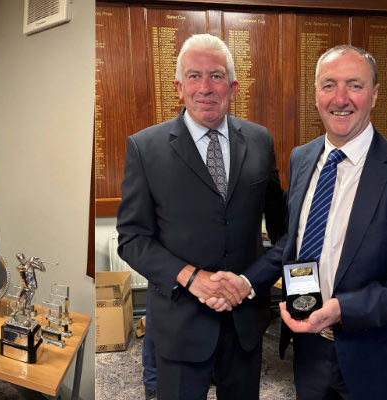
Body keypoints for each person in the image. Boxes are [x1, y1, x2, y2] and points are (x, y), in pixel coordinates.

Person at [223, 44, 387, 400]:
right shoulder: (302, 158)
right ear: (316, 94)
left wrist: (343, 309)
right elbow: (293, 243)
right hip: (308, 349)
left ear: (374, 95)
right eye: (329, 85)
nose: (340, 98)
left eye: (354, 85)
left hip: (375, 360)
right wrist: (245, 282)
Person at [116, 33, 287, 400]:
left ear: (234, 86)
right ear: (179, 87)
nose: (205, 87)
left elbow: (284, 233)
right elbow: (132, 239)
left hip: (245, 320)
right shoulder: (145, 148)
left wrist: (249, 281)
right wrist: (192, 278)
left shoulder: (260, 141)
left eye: (216, 76)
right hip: (180, 321)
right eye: (194, 76)